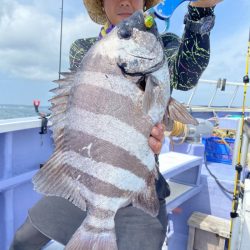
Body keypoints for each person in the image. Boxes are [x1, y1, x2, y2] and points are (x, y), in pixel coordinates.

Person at [10, 0, 222, 249]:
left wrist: (202, 10)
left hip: (140, 177)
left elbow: (186, 76)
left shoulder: (164, 44)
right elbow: (81, 114)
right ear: (101, 3)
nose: (124, 1)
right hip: (86, 176)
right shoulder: (84, 49)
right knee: (22, 240)